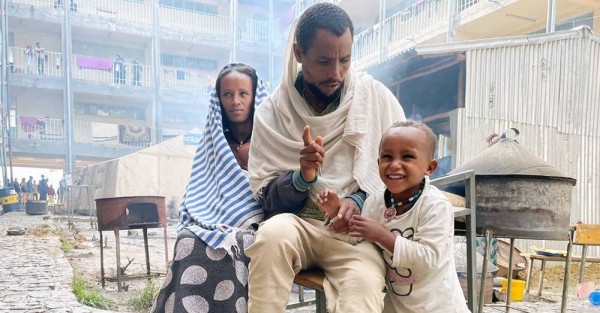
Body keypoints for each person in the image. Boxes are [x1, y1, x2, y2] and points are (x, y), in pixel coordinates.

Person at [245, 3, 405, 312]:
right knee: (270, 239)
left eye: (344, 60)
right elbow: (267, 200)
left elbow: (402, 178)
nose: (336, 73)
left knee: (363, 289)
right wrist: (302, 177)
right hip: (298, 225)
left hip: (356, 237)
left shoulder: (375, 98)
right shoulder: (272, 113)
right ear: (298, 53)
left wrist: (358, 200)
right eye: (324, 60)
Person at [151, 63, 268, 313]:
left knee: (239, 243)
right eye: (227, 94)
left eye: (243, 93)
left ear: (255, 96)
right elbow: (200, 187)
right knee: (187, 239)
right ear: (219, 99)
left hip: (260, 222)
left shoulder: (270, 138)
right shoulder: (214, 141)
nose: (235, 101)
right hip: (215, 219)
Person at [346, 121, 470, 313]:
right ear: (378, 163)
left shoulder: (435, 205)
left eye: (407, 157)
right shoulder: (374, 203)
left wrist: (381, 235)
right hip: (397, 306)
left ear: (430, 167)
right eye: (387, 157)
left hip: (438, 306)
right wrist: (337, 215)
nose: (395, 165)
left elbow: (428, 257)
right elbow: (360, 240)